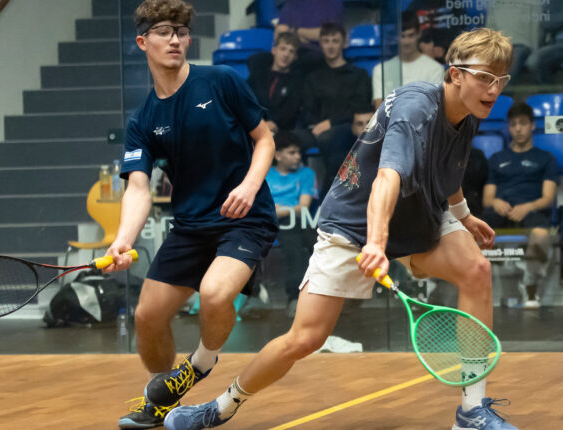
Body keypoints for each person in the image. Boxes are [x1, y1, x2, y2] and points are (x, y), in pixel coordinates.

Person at [157, 28, 518, 430]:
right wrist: (377, 243)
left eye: (501, 79)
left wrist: (464, 215)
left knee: (477, 270)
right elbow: (386, 179)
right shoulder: (417, 110)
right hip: (353, 225)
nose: (494, 88)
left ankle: (471, 411)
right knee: (304, 339)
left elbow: (449, 168)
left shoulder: (468, 112)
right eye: (485, 77)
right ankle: (221, 405)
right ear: (455, 75)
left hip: (418, 217)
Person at [108, 1, 278, 428]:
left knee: (216, 294)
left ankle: (199, 365)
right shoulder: (143, 119)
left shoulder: (220, 81)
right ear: (143, 41)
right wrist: (123, 240)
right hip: (190, 226)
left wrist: (249, 185)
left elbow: (265, 140)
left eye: (181, 32)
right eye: (164, 31)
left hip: (245, 217)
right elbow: (139, 186)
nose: (176, 39)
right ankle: (163, 397)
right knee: (146, 316)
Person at [483, 102, 558, 309]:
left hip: (531, 211)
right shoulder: (497, 159)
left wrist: (528, 207)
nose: (518, 129)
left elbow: (548, 198)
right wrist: (496, 202)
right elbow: (487, 199)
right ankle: (480, 289)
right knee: (473, 233)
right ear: (508, 128)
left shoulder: (546, 159)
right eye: (513, 124)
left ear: (532, 126)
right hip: (501, 211)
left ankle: (530, 283)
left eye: (523, 124)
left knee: (542, 236)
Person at [265, 132, 318, 317]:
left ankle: (301, 298)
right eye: (292, 152)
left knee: (302, 246)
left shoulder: (307, 174)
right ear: (278, 155)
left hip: (296, 220)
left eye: (299, 153)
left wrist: (279, 209)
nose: (298, 157)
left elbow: (303, 207)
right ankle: (291, 298)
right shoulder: (265, 173)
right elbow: (261, 206)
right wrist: (283, 209)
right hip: (267, 221)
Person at [372, 12, 445, 108]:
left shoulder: (435, 69)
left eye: (411, 35)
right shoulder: (380, 70)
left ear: (419, 34)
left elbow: (435, 109)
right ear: (395, 37)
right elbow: (380, 111)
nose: (406, 42)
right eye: (402, 36)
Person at [246, 31, 303, 134]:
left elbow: (291, 109)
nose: (286, 54)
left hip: (280, 130)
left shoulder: (297, 81)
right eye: (283, 49)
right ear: (274, 50)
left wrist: (274, 123)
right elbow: (245, 100)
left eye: (291, 51)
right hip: (254, 124)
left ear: (295, 57)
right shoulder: (258, 74)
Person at [274, 0, 343, 74]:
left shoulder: (333, 3)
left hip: (317, 54)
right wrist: (307, 36)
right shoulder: (291, 4)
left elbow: (328, 34)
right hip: (292, 51)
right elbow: (280, 33)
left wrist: (295, 31)